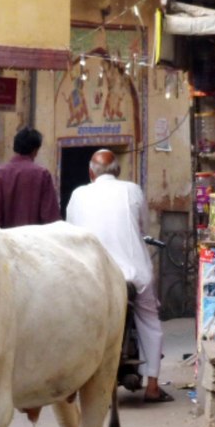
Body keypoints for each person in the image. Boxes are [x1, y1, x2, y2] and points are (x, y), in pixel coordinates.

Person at [65, 149, 172, 403]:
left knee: (79, 322)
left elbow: (70, 232)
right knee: (150, 320)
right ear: (118, 172)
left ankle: (71, 385)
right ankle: (153, 386)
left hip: (92, 276)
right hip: (133, 275)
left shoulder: (78, 195)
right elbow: (143, 225)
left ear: (91, 173)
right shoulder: (132, 190)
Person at [0, 126, 60, 228]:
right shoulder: (42, 175)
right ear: (35, 151)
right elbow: (51, 221)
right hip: (34, 242)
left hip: (5, 242)